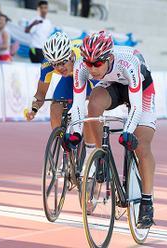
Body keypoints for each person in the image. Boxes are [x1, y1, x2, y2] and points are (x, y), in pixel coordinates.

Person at [64, 31, 156, 229]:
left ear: (110, 58)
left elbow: (137, 106)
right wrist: (77, 133)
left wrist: (128, 131)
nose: (92, 68)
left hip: (141, 89)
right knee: (94, 103)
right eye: (88, 63)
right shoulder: (81, 66)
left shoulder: (129, 61)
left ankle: (147, 204)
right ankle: (102, 156)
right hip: (113, 84)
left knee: (141, 146)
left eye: (97, 64)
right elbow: (79, 106)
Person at [24, 32, 96, 171]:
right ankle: (67, 154)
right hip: (69, 79)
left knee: (87, 110)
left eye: (63, 62)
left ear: (70, 55)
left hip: (88, 76)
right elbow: (40, 94)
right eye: (55, 64)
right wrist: (33, 109)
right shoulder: (47, 66)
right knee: (55, 108)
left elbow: (97, 86)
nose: (59, 67)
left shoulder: (84, 57)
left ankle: (90, 155)